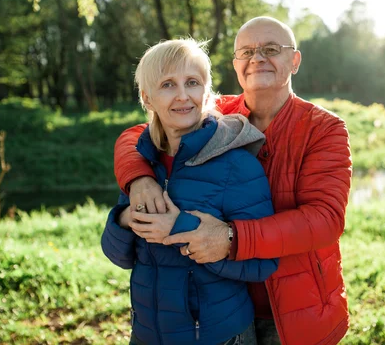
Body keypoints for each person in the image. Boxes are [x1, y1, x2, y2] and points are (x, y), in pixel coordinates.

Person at [113, 17, 352, 345]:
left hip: (295, 307)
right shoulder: (217, 112)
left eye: (271, 49)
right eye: (247, 52)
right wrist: (139, 179)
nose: (258, 58)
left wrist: (231, 236)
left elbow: (325, 220)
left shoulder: (324, 129)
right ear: (236, 65)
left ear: (294, 60)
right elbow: (137, 135)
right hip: (226, 305)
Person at [101, 38, 279, 345]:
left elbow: (263, 263)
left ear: (206, 91)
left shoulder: (237, 165)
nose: (183, 96)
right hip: (146, 335)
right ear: (148, 97)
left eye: (192, 82)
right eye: (168, 84)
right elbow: (118, 255)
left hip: (219, 337)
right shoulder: (143, 164)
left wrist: (183, 228)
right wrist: (127, 217)